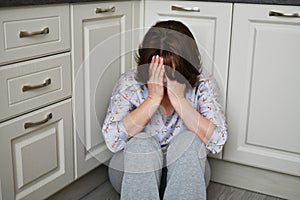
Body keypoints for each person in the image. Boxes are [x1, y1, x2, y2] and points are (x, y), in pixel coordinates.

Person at [102, 20, 227, 200]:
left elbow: (217, 141)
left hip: (186, 177)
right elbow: (112, 141)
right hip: (133, 174)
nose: (166, 80)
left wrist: (180, 100)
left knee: (189, 141)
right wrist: (153, 99)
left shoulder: (203, 84)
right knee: (141, 142)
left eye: (173, 73)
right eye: (159, 72)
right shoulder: (130, 82)